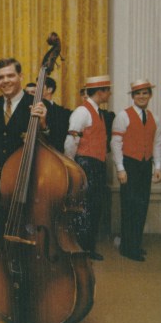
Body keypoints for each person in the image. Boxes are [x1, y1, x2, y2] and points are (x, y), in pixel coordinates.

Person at [0, 58, 52, 242]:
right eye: (0, 77)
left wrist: (43, 125)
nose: (5, 81)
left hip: (28, 188)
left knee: (26, 242)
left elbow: (54, 147)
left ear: (20, 76)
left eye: (10, 75)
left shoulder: (39, 105)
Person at [111, 79, 161, 261]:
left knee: (142, 205)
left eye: (145, 93)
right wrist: (120, 168)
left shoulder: (155, 118)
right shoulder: (123, 116)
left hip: (145, 165)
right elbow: (116, 144)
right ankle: (127, 247)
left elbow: (157, 144)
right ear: (133, 96)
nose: (142, 96)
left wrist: (157, 167)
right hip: (129, 165)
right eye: (138, 93)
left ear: (150, 95)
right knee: (129, 206)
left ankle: (135, 244)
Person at [64, 74, 112, 261]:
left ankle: (88, 248)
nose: (109, 93)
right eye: (107, 90)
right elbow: (71, 140)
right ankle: (81, 249)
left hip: (96, 165)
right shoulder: (82, 112)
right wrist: (71, 164)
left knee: (94, 206)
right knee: (85, 207)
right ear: (100, 92)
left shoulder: (98, 112)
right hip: (85, 164)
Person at [43, 76, 71, 153]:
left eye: (40, 86)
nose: (36, 89)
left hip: (56, 151)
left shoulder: (62, 111)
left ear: (49, 90)